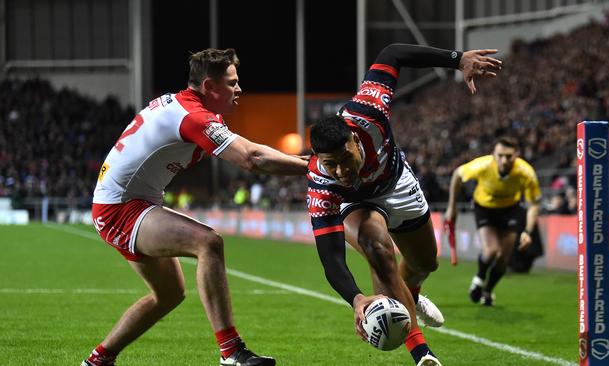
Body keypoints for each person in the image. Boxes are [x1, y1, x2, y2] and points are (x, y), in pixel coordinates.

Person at [82, 48, 308, 366]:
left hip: (126, 204)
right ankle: (231, 352)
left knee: (170, 295)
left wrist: (308, 163)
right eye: (232, 83)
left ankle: (98, 360)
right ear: (208, 86)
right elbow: (252, 158)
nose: (239, 89)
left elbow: (251, 149)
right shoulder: (194, 117)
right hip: (122, 209)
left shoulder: (188, 107)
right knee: (208, 242)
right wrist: (313, 167)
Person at [306, 43, 501, 366]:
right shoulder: (321, 184)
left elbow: (392, 53)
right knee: (377, 247)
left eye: (345, 159)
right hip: (358, 205)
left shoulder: (369, 111)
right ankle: (421, 351)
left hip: (398, 183)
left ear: (355, 140)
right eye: (330, 164)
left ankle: (410, 293)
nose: (341, 171)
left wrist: (457, 60)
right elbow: (331, 260)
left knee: (425, 262)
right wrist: (356, 300)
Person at [444, 137, 541, 306]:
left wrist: (528, 231)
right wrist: (452, 207)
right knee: (491, 251)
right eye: (500, 155)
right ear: (493, 154)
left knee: (503, 257)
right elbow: (457, 175)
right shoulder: (483, 165)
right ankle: (479, 279)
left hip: (510, 209)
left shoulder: (526, 172)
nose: (504, 160)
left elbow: (533, 204)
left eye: (509, 156)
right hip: (485, 208)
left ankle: (487, 291)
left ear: (516, 155)